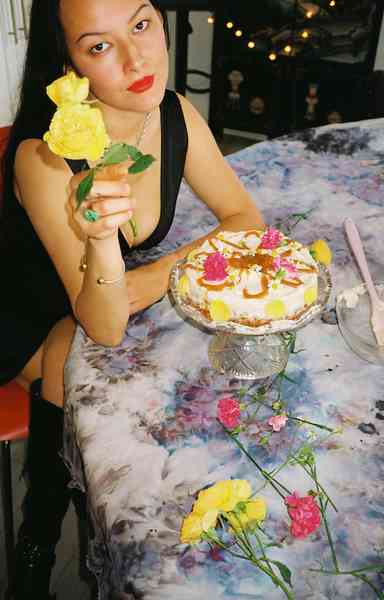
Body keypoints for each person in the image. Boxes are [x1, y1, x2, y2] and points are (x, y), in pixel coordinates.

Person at [0, 0, 264, 597]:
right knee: (76, 353)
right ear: (67, 65)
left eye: (141, 25)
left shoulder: (172, 114)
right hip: (24, 312)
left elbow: (245, 218)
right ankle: (39, 533)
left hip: (108, 291)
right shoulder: (47, 157)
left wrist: (154, 271)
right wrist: (182, 260)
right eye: (98, 47)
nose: (136, 57)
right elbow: (105, 323)